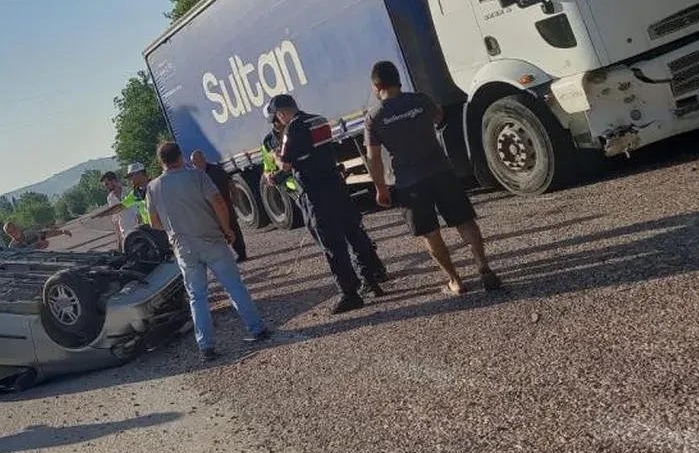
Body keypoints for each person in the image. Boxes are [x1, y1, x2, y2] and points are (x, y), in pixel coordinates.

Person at [364, 60, 502, 295]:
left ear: (377, 87)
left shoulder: (374, 117)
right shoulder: (420, 100)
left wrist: (380, 188)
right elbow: (439, 117)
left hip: (410, 182)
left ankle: (456, 281)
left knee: (430, 233)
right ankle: (483, 267)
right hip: (441, 171)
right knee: (464, 221)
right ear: (398, 80)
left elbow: (373, 157)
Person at [147, 141, 271, 361]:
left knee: (197, 297)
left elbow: (154, 222)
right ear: (180, 156)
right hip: (211, 239)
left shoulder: (153, 187)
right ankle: (257, 329)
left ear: (161, 162)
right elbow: (219, 203)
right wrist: (227, 229)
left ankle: (206, 346)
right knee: (233, 286)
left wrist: (174, 225)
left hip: (183, 246)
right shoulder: (197, 176)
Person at [270, 94, 388, 314]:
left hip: (315, 192)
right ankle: (371, 277)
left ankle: (349, 293)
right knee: (354, 231)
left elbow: (285, 164)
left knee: (332, 244)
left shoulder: (292, 130)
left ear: (281, 114)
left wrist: (277, 162)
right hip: (336, 185)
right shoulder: (319, 120)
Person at [190, 150, 248, 262]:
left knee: (233, 228)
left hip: (225, 205)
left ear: (202, 160)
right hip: (210, 210)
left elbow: (230, 182)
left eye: (196, 162)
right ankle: (225, 257)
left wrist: (235, 197)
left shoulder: (216, 170)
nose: (194, 165)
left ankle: (241, 253)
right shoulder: (195, 176)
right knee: (217, 234)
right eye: (193, 163)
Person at [100, 171, 141, 252]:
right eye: (105, 185)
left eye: (107, 184)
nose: (106, 187)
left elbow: (139, 212)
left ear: (114, 180)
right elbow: (115, 220)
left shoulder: (129, 191)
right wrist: (119, 241)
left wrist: (140, 230)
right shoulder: (110, 198)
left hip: (139, 232)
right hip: (125, 234)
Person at [3, 221, 72, 250]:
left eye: (14, 229)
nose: (14, 232)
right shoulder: (12, 248)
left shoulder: (30, 233)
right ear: (8, 235)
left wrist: (62, 232)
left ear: (18, 227)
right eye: (10, 232)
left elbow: (46, 234)